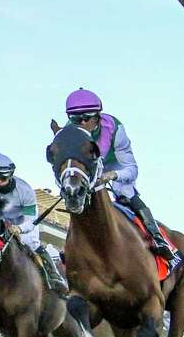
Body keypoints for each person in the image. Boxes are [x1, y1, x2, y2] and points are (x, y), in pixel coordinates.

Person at [64, 89, 178, 266]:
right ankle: (71, 245)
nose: (83, 122)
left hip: (114, 165)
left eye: (87, 117)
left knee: (125, 193)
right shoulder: (68, 133)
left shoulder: (115, 128)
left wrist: (113, 175)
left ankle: (157, 238)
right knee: (74, 194)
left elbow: (131, 169)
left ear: (98, 116)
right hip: (88, 169)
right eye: (76, 119)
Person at [0, 153, 68, 295]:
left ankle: (53, 276)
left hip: (23, 221)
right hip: (0, 221)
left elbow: (31, 222)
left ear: (11, 174)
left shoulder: (25, 190)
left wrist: (19, 228)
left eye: (3, 177)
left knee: (31, 243)